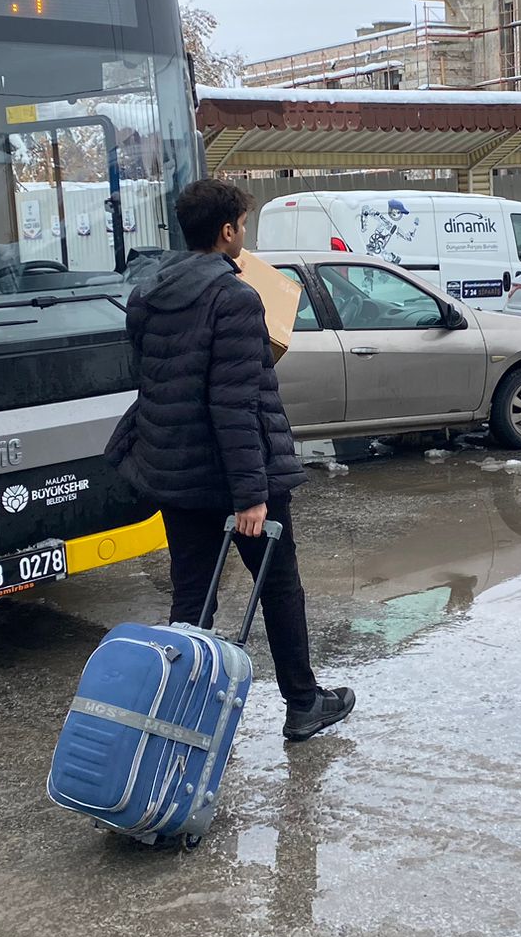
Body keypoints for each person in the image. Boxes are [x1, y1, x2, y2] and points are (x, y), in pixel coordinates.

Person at [106, 177, 355, 740]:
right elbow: (235, 403)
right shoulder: (236, 298)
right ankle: (302, 703)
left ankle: (178, 715)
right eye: (243, 224)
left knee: (192, 592)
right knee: (279, 585)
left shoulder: (147, 295)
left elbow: (154, 383)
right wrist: (251, 495)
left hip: (172, 471)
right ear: (226, 231)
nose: (246, 233)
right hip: (232, 478)